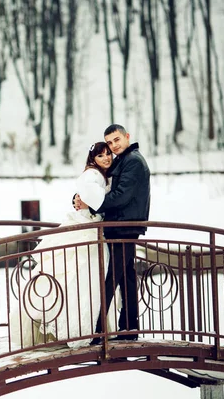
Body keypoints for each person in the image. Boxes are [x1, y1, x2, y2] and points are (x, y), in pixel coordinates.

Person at [9, 142, 118, 349]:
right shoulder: (93, 175)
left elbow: (92, 199)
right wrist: (84, 202)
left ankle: (88, 325)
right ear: (93, 158)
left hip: (91, 229)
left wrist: (81, 201)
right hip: (87, 231)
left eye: (108, 154)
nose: (106, 158)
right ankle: (77, 327)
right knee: (81, 278)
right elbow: (98, 201)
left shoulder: (99, 175)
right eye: (101, 155)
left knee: (85, 280)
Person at [75, 124, 151, 343]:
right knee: (125, 277)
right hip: (119, 226)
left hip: (124, 227)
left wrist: (90, 206)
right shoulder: (122, 160)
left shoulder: (133, 161)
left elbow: (120, 196)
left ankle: (99, 331)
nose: (113, 145)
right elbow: (100, 187)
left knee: (110, 278)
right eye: (109, 142)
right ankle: (128, 328)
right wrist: (81, 199)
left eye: (117, 140)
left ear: (127, 137)